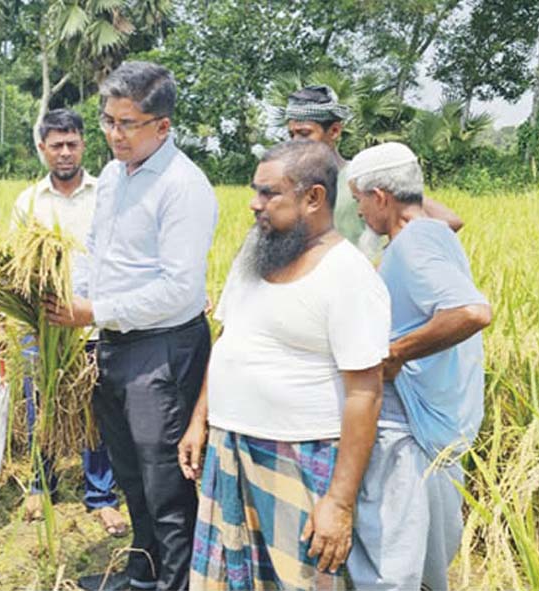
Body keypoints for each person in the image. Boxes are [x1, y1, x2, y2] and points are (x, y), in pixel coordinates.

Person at [182, 140, 390, 591]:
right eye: (256, 191)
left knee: (296, 581)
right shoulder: (255, 254)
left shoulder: (348, 276)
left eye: (269, 193)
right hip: (229, 444)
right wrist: (201, 419)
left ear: (313, 197)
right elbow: (229, 339)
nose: (255, 204)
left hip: (298, 455)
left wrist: (338, 502)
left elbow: (365, 393)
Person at [46, 61, 217, 591]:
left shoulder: (183, 186)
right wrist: (70, 293)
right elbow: (97, 253)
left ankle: (175, 583)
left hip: (161, 349)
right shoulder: (116, 176)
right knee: (131, 474)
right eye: (108, 120)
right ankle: (142, 574)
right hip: (114, 344)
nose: (114, 134)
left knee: (167, 481)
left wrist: (92, 311)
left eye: (127, 123)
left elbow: (179, 290)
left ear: (161, 127)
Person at [345, 142, 492, 591]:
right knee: (426, 553)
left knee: (392, 555)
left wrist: (394, 353)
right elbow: (450, 218)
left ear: (382, 197)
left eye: (359, 200)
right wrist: (402, 173)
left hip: (408, 426)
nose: (358, 213)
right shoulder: (435, 231)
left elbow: (471, 311)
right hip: (435, 422)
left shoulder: (413, 244)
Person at [11, 108, 127, 537]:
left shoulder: (106, 195)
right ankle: (42, 485)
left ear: (83, 145)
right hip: (43, 326)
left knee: (96, 409)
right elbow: (18, 267)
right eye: (56, 145)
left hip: (95, 322)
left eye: (72, 143)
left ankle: (101, 495)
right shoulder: (29, 202)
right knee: (39, 406)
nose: (64, 152)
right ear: (42, 149)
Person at [275, 84, 463, 258]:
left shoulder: (360, 178)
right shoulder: (293, 186)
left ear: (334, 131)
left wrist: (386, 260)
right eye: (291, 134)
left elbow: (449, 221)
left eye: (305, 133)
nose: (295, 143)